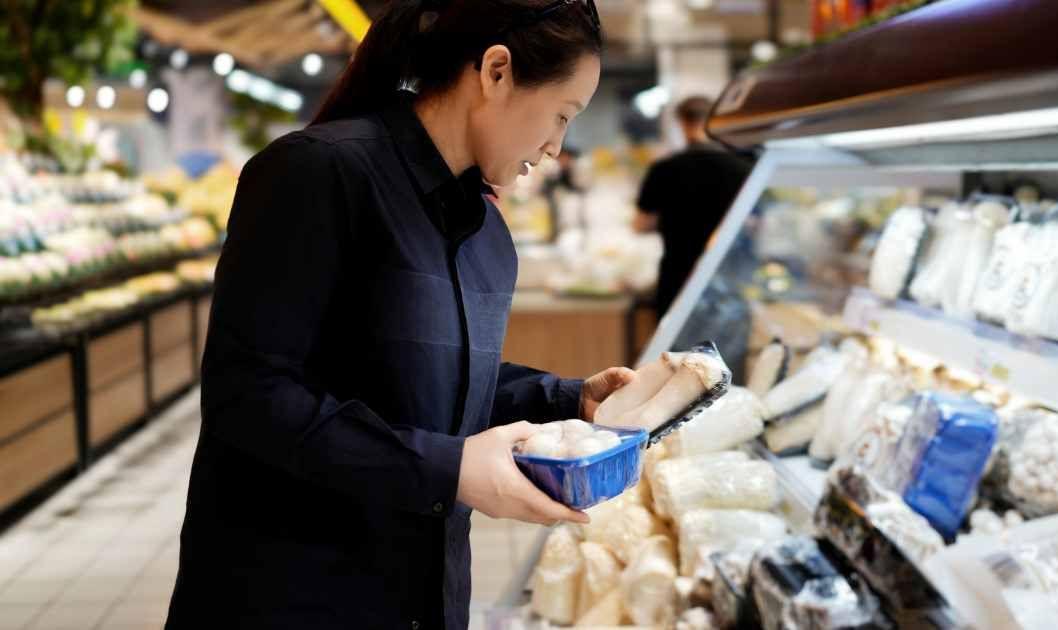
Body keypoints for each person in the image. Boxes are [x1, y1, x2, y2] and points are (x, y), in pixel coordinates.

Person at [165, 2, 631, 629]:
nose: (556, 147)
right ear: (496, 71)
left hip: (423, 593)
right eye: (562, 115)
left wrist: (569, 402)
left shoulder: (487, 233)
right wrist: (451, 469)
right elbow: (248, 394)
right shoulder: (318, 172)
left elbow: (433, 386)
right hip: (292, 592)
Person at [634, 96, 753, 318]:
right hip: (729, 278)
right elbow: (753, 225)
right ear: (714, 121)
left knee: (674, 351)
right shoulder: (743, 169)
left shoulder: (663, 169)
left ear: (681, 122)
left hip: (677, 276)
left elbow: (641, 224)